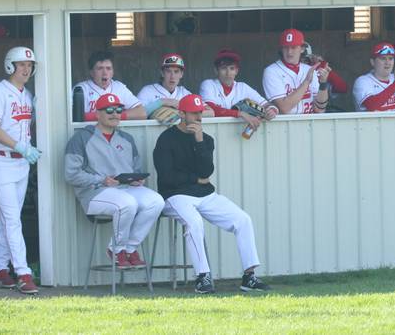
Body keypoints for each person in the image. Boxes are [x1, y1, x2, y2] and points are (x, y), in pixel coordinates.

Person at [153, 94, 269, 294]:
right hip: (175, 196)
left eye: (199, 113)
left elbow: (206, 172)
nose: (198, 117)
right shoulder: (167, 138)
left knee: (243, 219)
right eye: (193, 113)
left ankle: (249, 277)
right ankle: (203, 277)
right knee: (194, 222)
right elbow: (166, 177)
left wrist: (198, 140)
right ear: (182, 114)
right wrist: (195, 179)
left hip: (205, 194)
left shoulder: (205, 139)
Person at [65, 94, 164, 269]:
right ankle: (116, 249)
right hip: (94, 192)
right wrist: (101, 179)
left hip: (125, 188)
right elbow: (71, 174)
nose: (115, 114)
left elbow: (135, 168)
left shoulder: (126, 138)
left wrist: (135, 179)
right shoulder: (81, 138)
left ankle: (130, 248)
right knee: (127, 203)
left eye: (118, 110)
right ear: (97, 114)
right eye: (109, 110)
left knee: (156, 202)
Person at [0, 47, 40, 294]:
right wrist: (19, 146)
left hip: (21, 163)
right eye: (21, 65)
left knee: (9, 218)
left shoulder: (27, 95)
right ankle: (23, 273)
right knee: (12, 219)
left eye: (29, 65)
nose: (26, 69)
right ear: (10, 66)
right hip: (1, 161)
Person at [199, 49, 277, 134]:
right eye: (223, 68)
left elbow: (267, 104)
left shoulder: (243, 87)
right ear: (216, 70)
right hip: (214, 133)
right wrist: (241, 114)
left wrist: (272, 110)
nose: (228, 73)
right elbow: (212, 109)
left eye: (231, 68)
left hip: (238, 137)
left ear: (236, 71)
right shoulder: (208, 85)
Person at [262, 29, 331, 114]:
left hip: (310, 123)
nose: (289, 52)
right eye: (286, 47)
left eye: (293, 47)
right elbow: (284, 108)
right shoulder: (271, 71)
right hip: (284, 125)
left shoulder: (309, 69)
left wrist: (323, 84)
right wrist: (306, 82)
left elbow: (320, 109)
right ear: (281, 49)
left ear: (302, 49)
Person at [73, 50, 147, 121]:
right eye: (100, 68)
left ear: (113, 72)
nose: (105, 73)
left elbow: (142, 113)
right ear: (91, 72)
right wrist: (105, 117)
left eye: (108, 68)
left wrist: (114, 116)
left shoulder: (119, 87)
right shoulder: (81, 89)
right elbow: (72, 116)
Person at [136, 53, 213, 119]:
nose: (172, 76)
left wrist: (180, 114)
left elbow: (210, 112)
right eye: (168, 71)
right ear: (162, 73)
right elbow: (136, 114)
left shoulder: (185, 93)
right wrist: (162, 102)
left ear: (181, 74)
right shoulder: (147, 91)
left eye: (176, 72)